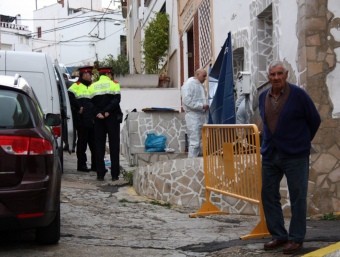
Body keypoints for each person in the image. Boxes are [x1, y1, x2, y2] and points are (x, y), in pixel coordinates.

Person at [259, 60, 321, 254]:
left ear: (286, 75)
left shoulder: (299, 95)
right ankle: (278, 235)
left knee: (297, 197)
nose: (276, 77)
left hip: (295, 155)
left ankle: (296, 239)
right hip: (270, 153)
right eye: (272, 74)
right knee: (268, 195)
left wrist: (300, 142)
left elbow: (315, 120)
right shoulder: (262, 96)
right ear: (268, 77)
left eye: (279, 74)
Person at [88, 67, 122, 181]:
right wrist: (106, 112)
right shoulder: (114, 84)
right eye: (111, 74)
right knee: (114, 145)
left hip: (98, 119)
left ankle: (100, 174)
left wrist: (98, 113)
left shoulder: (92, 86)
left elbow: (89, 103)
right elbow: (116, 100)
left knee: (99, 146)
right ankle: (115, 174)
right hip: (111, 117)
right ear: (108, 74)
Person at [68, 66, 96, 172]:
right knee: (82, 144)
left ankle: (95, 165)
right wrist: (78, 107)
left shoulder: (92, 86)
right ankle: (81, 165)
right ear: (84, 75)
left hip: (92, 119)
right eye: (89, 74)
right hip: (82, 120)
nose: (90, 76)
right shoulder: (76, 86)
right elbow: (70, 97)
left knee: (94, 144)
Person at [181, 68, 209, 158]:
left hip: (201, 115)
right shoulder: (189, 85)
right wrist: (201, 106)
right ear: (197, 74)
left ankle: (199, 162)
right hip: (192, 116)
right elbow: (187, 100)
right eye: (203, 76)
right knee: (195, 141)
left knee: (200, 141)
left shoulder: (200, 86)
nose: (205, 78)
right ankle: (191, 162)